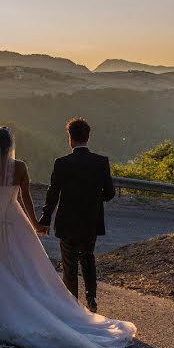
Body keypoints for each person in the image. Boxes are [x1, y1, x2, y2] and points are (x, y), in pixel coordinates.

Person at [0, 126, 174, 348]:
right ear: (11, 145)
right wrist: (35, 224)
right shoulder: (20, 167)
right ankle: (66, 301)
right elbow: (26, 198)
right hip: (17, 218)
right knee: (30, 266)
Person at [37, 117, 114, 313]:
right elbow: (110, 193)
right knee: (88, 257)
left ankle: (72, 305)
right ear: (88, 137)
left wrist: (45, 219)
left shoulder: (62, 163)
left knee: (69, 263)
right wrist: (96, 200)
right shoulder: (101, 162)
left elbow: (53, 193)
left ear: (70, 138)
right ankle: (92, 297)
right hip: (91, 220)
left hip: (67, 222)